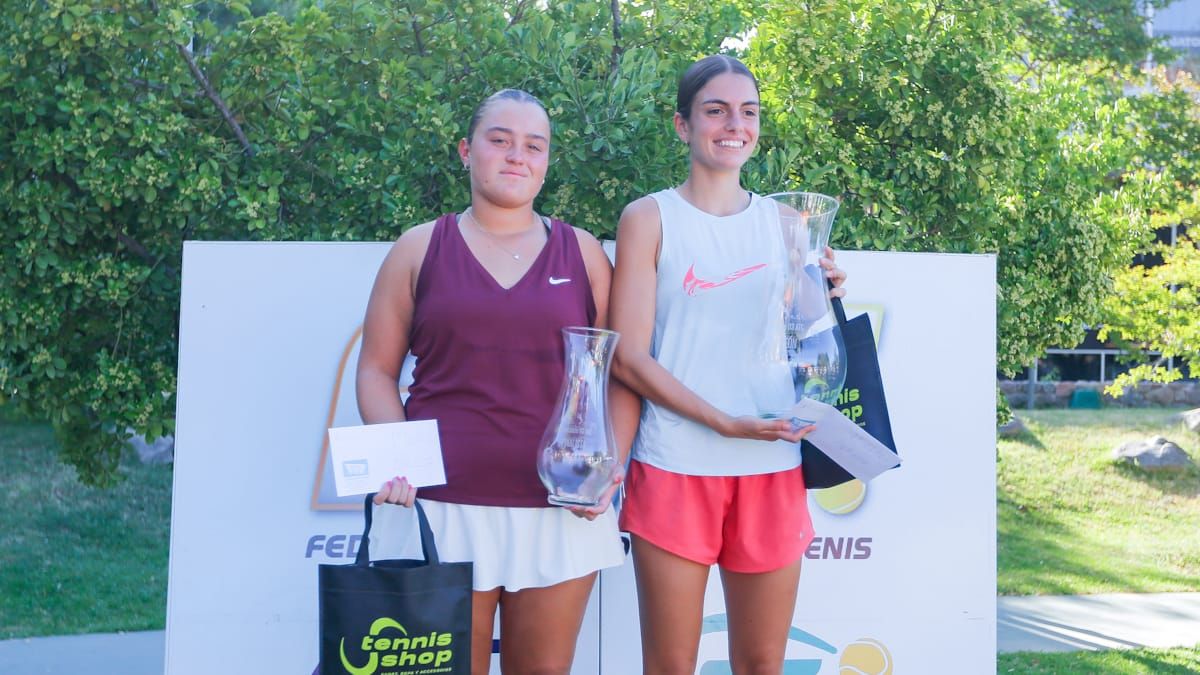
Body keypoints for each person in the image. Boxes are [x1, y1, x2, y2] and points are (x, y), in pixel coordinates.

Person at [355, 88, 634, 675]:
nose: (516, 156)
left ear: (547, 162)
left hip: (561, 508)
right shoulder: (418, 248)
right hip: (443, 508)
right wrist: (398, 463)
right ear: (466, 150)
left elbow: (620, 376)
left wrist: (609, 472)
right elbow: (377, 370)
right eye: (499, 140)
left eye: (534, 146)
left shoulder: (582, 253)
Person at [609, 55, 847, 674]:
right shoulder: (648, 217)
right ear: (684, 125)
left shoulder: (790, 224)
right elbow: (628, 357)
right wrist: (720, 421)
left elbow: (800, 336)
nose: (733, 125)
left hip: (771, 463)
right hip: (675, 465)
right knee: (670, 666)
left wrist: (829, 293)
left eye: (749, 112)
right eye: (715, 110)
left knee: (763, 664)